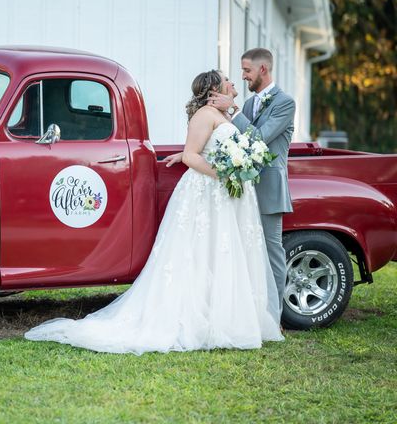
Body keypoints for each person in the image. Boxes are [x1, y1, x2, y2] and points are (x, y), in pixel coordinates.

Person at [24, 70, 284, 355]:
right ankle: (198, 320)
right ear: (215, 90)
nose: (233, 82)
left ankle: (225, 317)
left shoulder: (225, 116)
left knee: (223, 254)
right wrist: (224, 174)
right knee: (198, 254)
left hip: (227, 195)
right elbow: (191, 155)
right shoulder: (205, 116)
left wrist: (236, 167)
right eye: (227, 79)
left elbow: (223, 147)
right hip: (210, 191)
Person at [208, 48, 295, 314]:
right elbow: (233, 142)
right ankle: (249, 313)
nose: (243, 76)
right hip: (242, 186)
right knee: (244, 250)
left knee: (272, 252)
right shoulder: (248, 105)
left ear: (263, 70)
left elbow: (258, 138)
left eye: (247, 70)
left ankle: (273, 315)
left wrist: (232, 109)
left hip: (269, 188)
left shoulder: (284, 103)